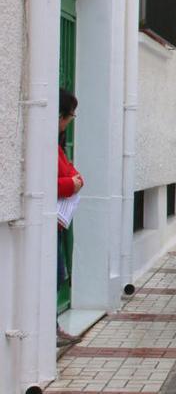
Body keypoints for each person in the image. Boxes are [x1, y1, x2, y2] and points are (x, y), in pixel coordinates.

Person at [57, 88, 83, 347]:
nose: (69, 121)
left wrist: (74, 181)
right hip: (51, 222)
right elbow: (49, 181)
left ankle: (52, 327)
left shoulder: (58, 147)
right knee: (53, 275)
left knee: (57, 273)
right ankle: (49, 328)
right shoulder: (46, 145)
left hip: (59, 222)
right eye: (70, 115)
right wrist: (69, 185)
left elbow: (74, 173)